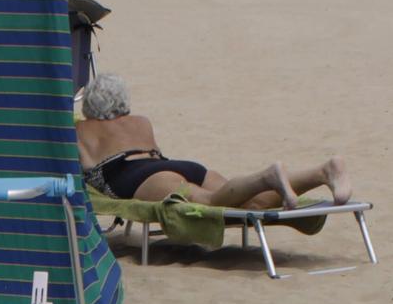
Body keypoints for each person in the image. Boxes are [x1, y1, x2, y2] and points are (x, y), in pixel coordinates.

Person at [77, 71, 351, 210]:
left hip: (138, 176)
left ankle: (268, 176)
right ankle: (322, 172)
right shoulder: (141, 121)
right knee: (250, 203)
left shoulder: (81, 131)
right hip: (179, 166)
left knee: (210, 203)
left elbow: (72, 166)